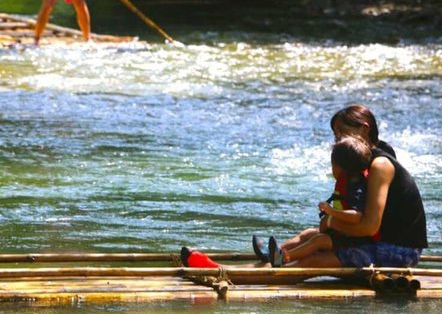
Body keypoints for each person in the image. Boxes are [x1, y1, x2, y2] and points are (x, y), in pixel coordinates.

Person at [182, 105, 427, 273]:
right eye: (335, 135)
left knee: (314, 259)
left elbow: (369, 226)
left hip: (398, 252)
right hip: (376, 241)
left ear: (364, 128)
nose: (338, 140)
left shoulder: (380, 165)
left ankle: (237, 274)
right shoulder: (363, 160)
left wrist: (331, 224)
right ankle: (260, 264)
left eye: (342, 133)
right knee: (311, 234)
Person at [260, 136, 375, 267]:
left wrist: (331, 211)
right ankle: (271, 254)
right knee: (307, 233)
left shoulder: (357, 189)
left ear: (342, 168)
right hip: (342, 233)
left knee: (319, 240)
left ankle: (284, 258)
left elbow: (357, 217)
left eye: (333, 165)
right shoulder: (349, 183)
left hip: (352, 241)